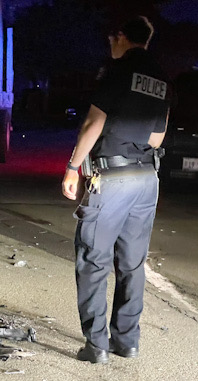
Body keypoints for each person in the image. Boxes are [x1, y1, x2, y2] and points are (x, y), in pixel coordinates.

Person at [61, 15, 171, 364]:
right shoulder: (161, 79)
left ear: (122, 37)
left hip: (112, 180)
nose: (111, 43)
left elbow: (95, 122)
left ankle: (96, 346)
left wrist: (73, 167)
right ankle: (127, 342)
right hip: (146, 180)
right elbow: (157, 137)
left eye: (113, 37)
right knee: (132, 264)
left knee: (94, 260)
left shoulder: (118, 71)